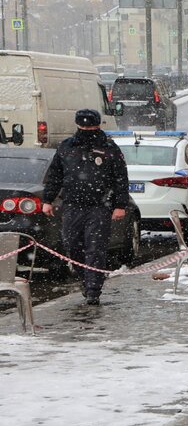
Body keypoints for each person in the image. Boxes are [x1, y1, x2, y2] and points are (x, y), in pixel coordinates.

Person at [40, 109, 130, 306]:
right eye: (84, 126)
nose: (87, 129)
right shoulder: (67, 147)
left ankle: (93, 289)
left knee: (96, 248)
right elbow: (55, 175)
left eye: (91, 126)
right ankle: (85, 279)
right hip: (72, 205)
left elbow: (120, 179)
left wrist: (120, 205)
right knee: (72, 245)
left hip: (100, 205)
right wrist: (47, 200)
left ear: (98, 126)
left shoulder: (109, 148)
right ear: (78, 125)